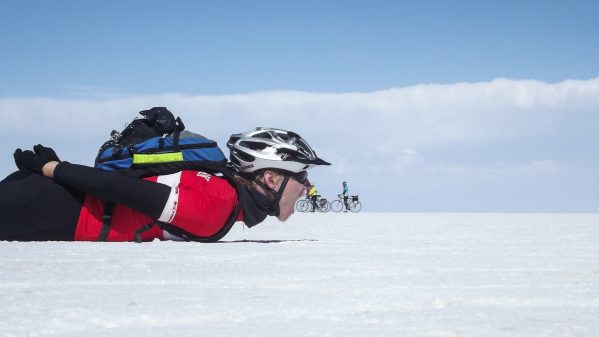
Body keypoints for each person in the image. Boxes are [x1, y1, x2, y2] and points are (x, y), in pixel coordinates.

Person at [0, 128, 330, 242]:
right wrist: (54, 168)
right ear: (270, 178)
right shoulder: (217, 207)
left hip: (51, 201)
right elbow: (122, 190)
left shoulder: (222, 191)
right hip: (49, 210)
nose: (306, 186)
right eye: (300, 176)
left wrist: (57, 170)